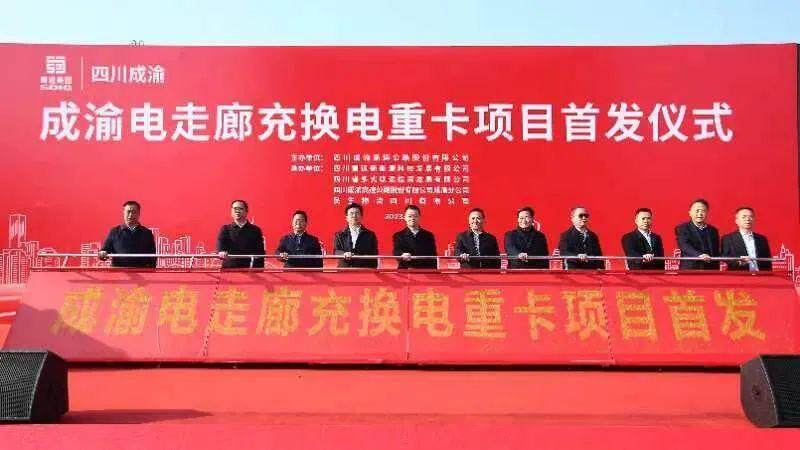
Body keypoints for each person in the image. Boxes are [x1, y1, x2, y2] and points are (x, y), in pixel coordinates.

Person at [99, 200, 157, 268]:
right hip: (119, 272)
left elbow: (152, 256)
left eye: (134, 212)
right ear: (124, 213)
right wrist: (102, 253)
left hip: (141, 271)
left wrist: (150, 271)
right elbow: (105, 250)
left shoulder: (147, 233)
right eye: (128, 212)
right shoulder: (114, 231)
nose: (130, 215)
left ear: (139, 214)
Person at [216, 200, 265, 268]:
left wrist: (259, 269)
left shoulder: (255, 230)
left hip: (249, 268)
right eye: (235, 208)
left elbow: (260, 252)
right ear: (231, 212)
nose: (237, 211)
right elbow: (221, 245)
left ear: (246, 212)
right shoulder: (225, 229)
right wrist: (221, 252)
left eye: (240, 209)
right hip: (230, 268)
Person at [721, 207, 772, 271]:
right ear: (736, 221)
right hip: (739, 274)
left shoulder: (762, 239)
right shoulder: (728, 238)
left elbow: (768, 261)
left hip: (760, 274)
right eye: (744, 217)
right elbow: (725, 257)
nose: (747, 219)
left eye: (750, 216)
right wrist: (738, 261)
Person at [675, 199, 720, 270]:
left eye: (703, 211)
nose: (700, 214)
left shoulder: (713, 230)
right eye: (697, 211)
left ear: (707, 213)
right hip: (691, 269)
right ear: (690, 213)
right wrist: (699, 255)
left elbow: (716, 251)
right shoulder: (682, 228)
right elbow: (684, 246)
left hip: (710, 269)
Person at [333, 202, 378, 268]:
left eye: (357, 213)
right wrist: (344, 254)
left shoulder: (370, 235)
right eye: (351, 213)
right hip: (344, 269)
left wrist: (373, 271)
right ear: (347, 218)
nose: (354, 216)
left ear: (361, 216)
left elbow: (374, 255)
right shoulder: (339, 234)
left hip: (363, 269)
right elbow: (336, 251)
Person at [392, 205, 438, 269]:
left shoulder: (428, 235)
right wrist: (402, 254)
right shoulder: (399, 235)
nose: (412, 218)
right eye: (409, 216)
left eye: (415, 216)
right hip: (406, 270)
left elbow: (433, 256)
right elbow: (396, 251)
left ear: (419, 217)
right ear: (405, 217)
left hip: (425, 270)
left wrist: (434, 272)